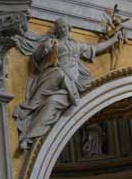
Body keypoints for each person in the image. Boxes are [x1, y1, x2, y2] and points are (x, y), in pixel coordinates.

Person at [13, 18, 124, 149]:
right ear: (57, 31)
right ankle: (30, 107)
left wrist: (114, 39)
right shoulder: (53, 42)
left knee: (52, 102)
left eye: (65, 26)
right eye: (60, 27)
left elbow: (95, 48)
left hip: (67, 87)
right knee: (60, 73)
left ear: (69, 28)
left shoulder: (76, 46)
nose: (63, 29)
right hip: (52, 78)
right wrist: (44, 48)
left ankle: (28, 137)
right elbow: (36, 57)